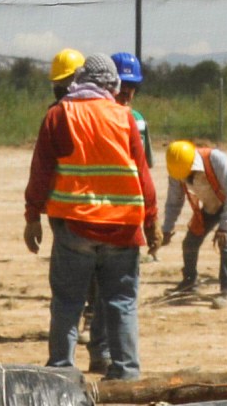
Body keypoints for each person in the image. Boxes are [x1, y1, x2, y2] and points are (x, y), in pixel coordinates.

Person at [24, 52, 157, 379]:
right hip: (123, 229)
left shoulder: (59, 115)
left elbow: (40, 172)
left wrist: (32, 217)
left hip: (74, 228)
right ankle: (126, 375)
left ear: (80, 80)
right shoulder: (124, 117)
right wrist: (152, 223)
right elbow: (144, 177)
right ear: (112, 84)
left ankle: (61, 373)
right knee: (121, 303)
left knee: (68, 302)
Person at [161, 138, 227, 307]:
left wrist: (225, 227)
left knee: (226, 242)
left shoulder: (215, 159)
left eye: (189, 174)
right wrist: (167, 228)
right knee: (190, 242)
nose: (187, 178)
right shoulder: (177, 171)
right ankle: (189, 283)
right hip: (211, 205)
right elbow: (174, 202)